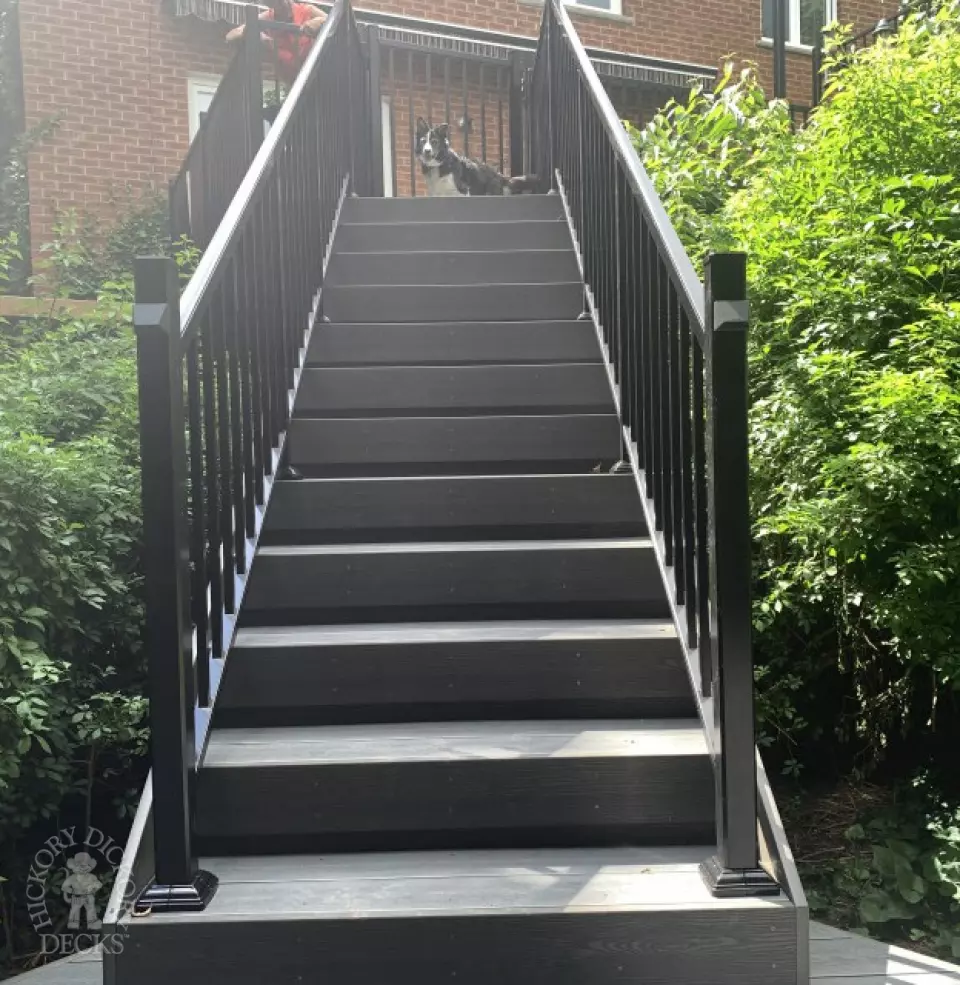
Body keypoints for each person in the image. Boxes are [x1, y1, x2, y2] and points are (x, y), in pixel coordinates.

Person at [226, 0, 327, 87]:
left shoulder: (307, 10)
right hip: (293, 83)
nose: (280, 5)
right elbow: (231, 35)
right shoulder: (267, 17)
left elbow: (333, 20)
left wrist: (319, 21)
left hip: (317, 75)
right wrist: (258, 34)